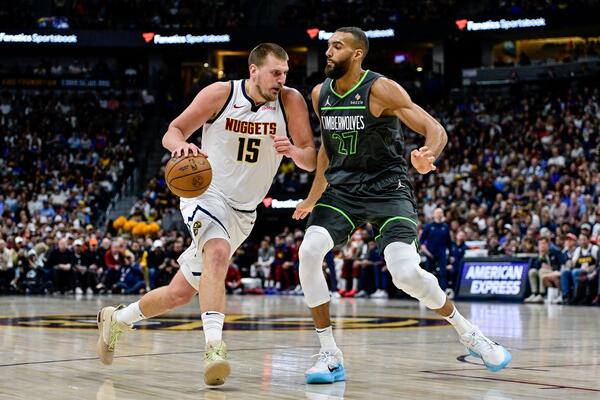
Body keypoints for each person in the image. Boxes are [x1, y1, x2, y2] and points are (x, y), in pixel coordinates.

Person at [293, 27, 511, 384]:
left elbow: (435, 129)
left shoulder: (381, 88)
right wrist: (313, 197)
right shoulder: (320, 94)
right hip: (342, 192)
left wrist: (428, 155)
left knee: (405, 274)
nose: (328, 52)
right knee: (308, 251)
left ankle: (470, 333)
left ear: (357, 54)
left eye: (337, 46)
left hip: (387, 191)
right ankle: (330, 354)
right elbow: (326, 151)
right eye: (328, 46)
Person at [96, 43, 316, 386]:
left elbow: (311, 159)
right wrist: (181, 146)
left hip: (244, 212)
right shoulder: (220, 94)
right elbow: (172, 131)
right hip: (205, 192)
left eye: (285, 73)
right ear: (254, 70)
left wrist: (294, 152)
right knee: (217, 252)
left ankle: (118, 320)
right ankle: (214, 347)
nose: (281, 79)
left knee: (180, 293)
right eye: (276, 73)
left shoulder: (290, 101)